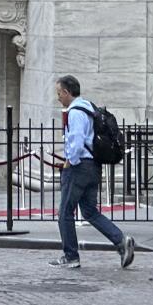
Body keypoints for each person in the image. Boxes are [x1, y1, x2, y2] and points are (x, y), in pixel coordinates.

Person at [51, 75, 135, 269]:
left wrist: (69, 163)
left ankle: (70, 256)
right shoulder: (89, 107)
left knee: (65, 212)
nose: (58, 98)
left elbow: (77, 141)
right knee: (89, 211)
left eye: (59, 93)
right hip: (93, 166)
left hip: (79, 167)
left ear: (66, 92)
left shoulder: (75, 112)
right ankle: (121, 241)